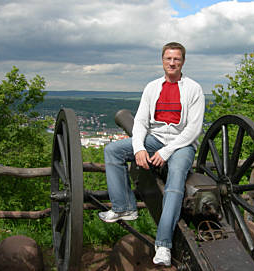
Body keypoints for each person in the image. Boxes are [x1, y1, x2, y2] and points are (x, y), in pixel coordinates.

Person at [98, 42, 205, 266]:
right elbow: (140, 123)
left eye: (176, 59)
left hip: (181, 145)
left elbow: (193, 129)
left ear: (183, 62)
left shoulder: (193, 89)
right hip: (154, 139)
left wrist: (166, 152)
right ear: (162, 60)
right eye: (168, 58)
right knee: (113, 151)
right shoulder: (152, 87)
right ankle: (123, 207)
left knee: (175, 183)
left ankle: (164, 244)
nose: (172, 63)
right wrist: (138, 148)